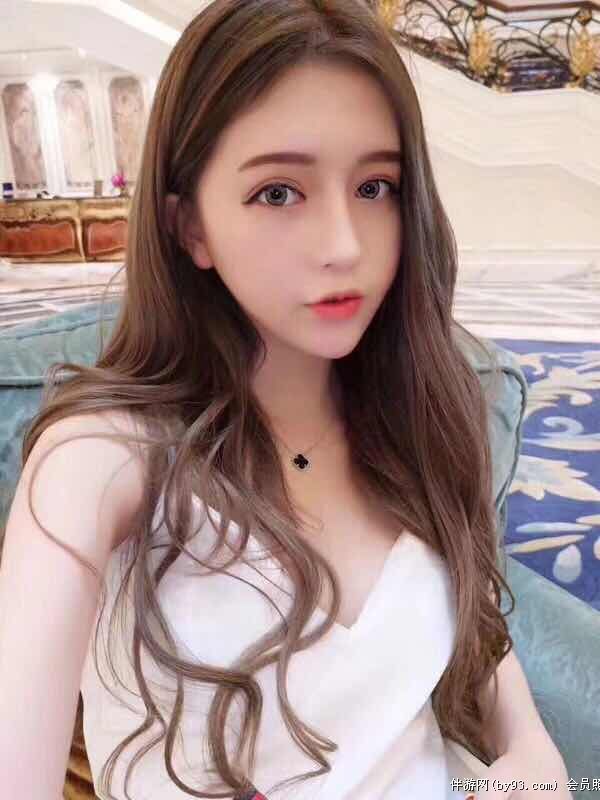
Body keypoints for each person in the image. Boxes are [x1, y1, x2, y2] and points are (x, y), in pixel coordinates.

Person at [0, 1, 571, 799]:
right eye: (278, 193)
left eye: (375, 186)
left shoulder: (425, 411)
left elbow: (481, 636)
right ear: (189, 226)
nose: (344, 244)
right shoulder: (100, 462)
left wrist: (533, 761)